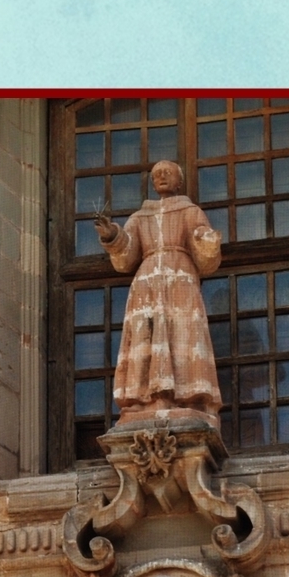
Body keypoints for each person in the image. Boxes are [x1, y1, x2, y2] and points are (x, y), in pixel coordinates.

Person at [95, 159, 222, 419]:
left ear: (180, 181)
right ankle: (146, 398)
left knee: (184, 333)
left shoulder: (190, 211)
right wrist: (112, 236)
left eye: (168, 173)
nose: (161, 177)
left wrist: (206, 240)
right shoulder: (140, 216)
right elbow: (127, 254)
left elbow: (204, 250)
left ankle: (189, 397)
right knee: (147, 336)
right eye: (156, 174)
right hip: (147, 281)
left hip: (180, 278)